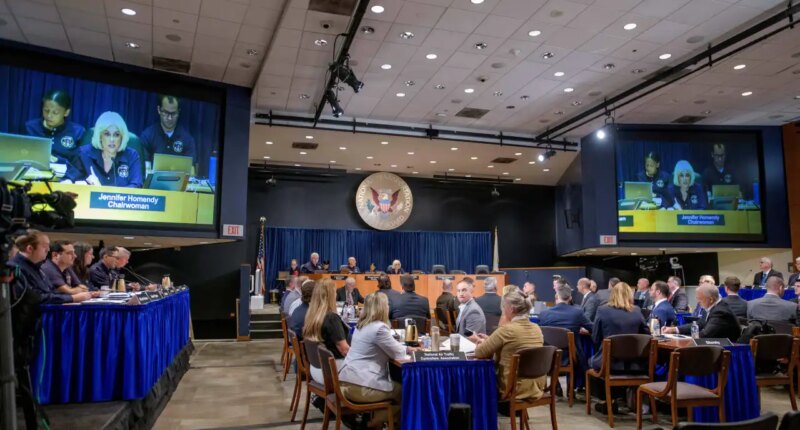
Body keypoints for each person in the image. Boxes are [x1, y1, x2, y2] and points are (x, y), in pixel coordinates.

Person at [338, 293, 419, 429]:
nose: (388, 307)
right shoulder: (379, 328)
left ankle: (378, 423)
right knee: (407, 392)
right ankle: (370, 425)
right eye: (387, 305)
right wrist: (409, 349)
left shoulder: (361, 326)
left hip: (347, 381)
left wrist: (405, 348)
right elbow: (398, 353)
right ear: (382, 308)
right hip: (361, 386)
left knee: (394, 388)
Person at [473, 289, 545, 415]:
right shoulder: (537, 329)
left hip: (512, 388)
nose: (503, 309)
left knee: (475, 381)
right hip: (535, 386)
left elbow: (480, 352)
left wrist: (480, 341)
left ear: (511, 309)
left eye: (504, 306)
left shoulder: (506, 330)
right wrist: (490, 340)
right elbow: (515, 343)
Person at [9, 230, 91, 304]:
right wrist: (72, 298)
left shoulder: (37, 267)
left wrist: (72, 297)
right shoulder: (16, 268)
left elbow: (51, 292)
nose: (48, 249)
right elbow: (35, 298)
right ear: (30, 249)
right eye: (45, 246)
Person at [70, 111, 143, 187]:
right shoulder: (84, 154)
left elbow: (136, 185)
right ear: (100, 136)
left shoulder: (131, 156)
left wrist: (101, 190)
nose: (112, 139)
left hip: (122, 199)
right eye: (107, 134)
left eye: (116, 135)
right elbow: (70, 179)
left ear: (122, 137)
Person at [24, 89, 85, 179]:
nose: (49, 116)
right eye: (46, 110)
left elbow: (80, 167)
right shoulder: (31, 127)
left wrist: (57, 160)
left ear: (66, 112)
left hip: (65, 180)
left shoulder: (77, 132)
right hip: (34, 177)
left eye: (55, 112)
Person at [590, 282, 648, 371]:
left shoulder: (602, 310)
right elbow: (647, 335)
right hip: (634, 364)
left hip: (608, 362)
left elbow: (595, 338)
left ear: (612, 294)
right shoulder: (637, 310)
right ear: (630, 295)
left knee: (590, 362)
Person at [303, 279, 350, 384]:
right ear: (330, 296)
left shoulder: (311, 315)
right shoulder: (331, 318)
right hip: (331, 371)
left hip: (315, 369)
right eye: (334, 292)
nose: (336, 294)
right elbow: (344, 350)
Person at [663, 285, 740, 342]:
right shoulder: (713, 307)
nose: (698, 302)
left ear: (710, 299)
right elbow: (700, 324)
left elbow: (706, 334)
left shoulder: (720, 312)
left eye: (699, 299)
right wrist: (675, 329)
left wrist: (684, 339)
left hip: (727, 351)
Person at [139, 94, 197, 165]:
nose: (170, 118)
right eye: (166, 113)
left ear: (178, 112)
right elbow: (144, 167)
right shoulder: (147, 136)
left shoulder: (188, 140)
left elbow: (190, 169)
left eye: (173, 114)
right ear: (159, 110)